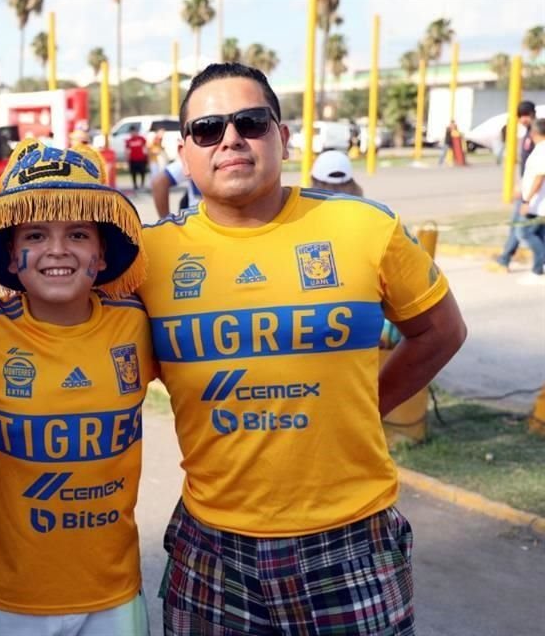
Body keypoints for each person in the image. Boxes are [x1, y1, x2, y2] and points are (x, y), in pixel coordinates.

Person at [145, 62, 466, 635]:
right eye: (208, 129)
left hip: (350, 543)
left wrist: (367, 405)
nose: (231, 140)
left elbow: (441, 330)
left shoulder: (363, 227)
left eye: (250, 122)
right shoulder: (145, 258)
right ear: (184, 152)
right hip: (213, 549)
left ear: (283, 137)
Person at [0, 138, 155, 635]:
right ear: (11, 257)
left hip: (112, 596)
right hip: (4, 599)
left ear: (101, 255)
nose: (57, 250)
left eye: (78, 234)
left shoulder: (139, 325)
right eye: (35, 234)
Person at [494, 100, 538, 271]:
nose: (522, 119)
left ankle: (505, 259)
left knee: (520, 227)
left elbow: (538, 166)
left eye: (525, 115)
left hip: (532, 188)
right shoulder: (529, 133)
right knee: (531, 228)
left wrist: (525, 190)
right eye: (521, 116)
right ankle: (507, 258)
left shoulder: (537, 133)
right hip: (529, 186)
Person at [517, 117, 545, 280]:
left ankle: (538, 267)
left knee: (524, 233)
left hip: (537, 203)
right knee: (540, 235)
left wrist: (526, 200)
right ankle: (539, 267)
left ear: (535, 132)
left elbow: (539, 177)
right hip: (538, 202)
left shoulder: (542, 150)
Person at [126, 124, 149, 192]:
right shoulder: (129, 141)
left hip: (141, 159)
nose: (133, 133)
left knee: (142, 172)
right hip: (133, 160)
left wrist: (146, 157)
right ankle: (135, 185)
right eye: (132, 132)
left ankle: (142, 184)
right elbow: (127, 151)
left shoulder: (141, 139)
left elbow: (145, 148)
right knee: (133, 173)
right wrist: (128, 160)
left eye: (134, 131)